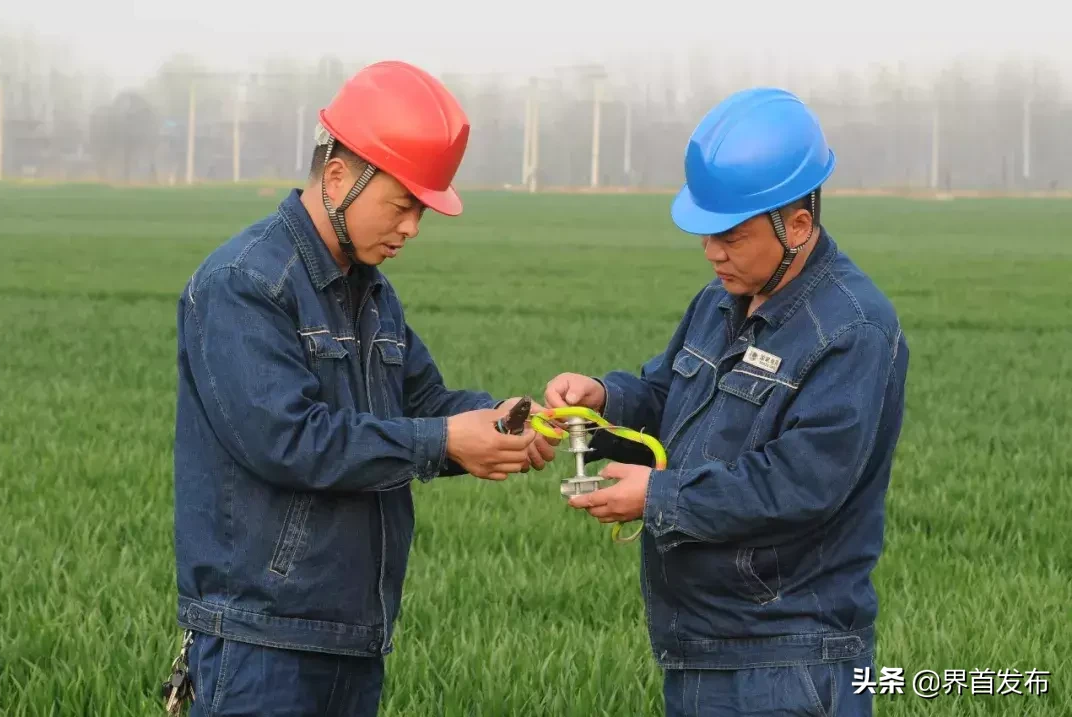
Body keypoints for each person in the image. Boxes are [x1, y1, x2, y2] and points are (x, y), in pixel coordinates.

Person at [172, 60, 554, 716]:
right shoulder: (244, 284)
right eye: (402, 205)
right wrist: (444, 441)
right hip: (262, 642)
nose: (410, 228)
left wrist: (503, 418)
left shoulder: (371, 291)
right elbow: (289, 440)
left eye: (421, 213)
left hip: (352, 636)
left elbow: (425, 404)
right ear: (340, 175)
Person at [544, 87, 909, 716]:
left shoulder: (854, 330)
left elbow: (800, 483)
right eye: (706, 234)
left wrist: (656, 496)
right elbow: (666, 394)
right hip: (700, 648)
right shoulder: (719, 301)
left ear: (797, 225)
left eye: (731, 237)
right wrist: (600, 401)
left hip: (790, 663)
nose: (713, 252)